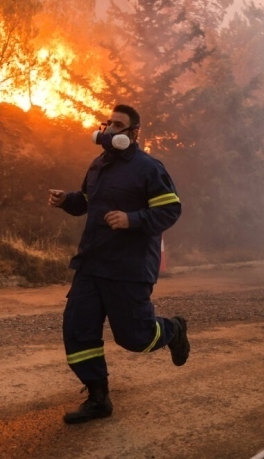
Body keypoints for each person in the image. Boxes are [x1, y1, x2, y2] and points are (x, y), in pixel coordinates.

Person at [48, 104, 190, 425]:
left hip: (129, 268)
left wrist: (133, 219)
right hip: (92, 264)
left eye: (118, 125)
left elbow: (170, 210)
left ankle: (173, 330)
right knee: (77, 329)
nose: (110, 129)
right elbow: (86, 202)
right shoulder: (99, 165)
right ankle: (99, 398)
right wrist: (65, 200)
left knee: (135, 337)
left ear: (133, 133)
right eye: (108, 123)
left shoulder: (149, 168)